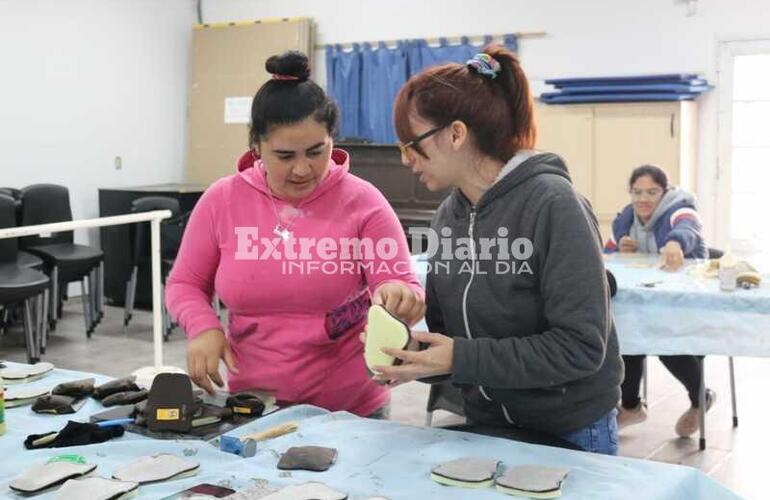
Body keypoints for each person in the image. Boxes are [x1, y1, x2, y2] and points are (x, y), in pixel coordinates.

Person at [370, 47, 623, 455]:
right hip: (488, 426)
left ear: (455, 134)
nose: (406, 160)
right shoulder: (447, 219)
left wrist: (461, 357)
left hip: (569, 431)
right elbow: (454, 341)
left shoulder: (553, 204)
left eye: (412, 145)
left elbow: (581, 346)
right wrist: (412, 351)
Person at [165, 52, 424, 418]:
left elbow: (400, 282)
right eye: (284, 156)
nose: (303, 169)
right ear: (256, 145)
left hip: (351, 411)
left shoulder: (363, 202)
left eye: (317, 152)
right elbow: (184, 284)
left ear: (333, 138)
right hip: (253, 406)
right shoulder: (222, 201)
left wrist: (401, 297)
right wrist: (204, 327)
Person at [604, 164, 714, 437]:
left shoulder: (680, 209)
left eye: (652, 192)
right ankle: (630, 405)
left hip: (684, 303)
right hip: (645, 302)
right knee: (626, 333)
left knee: (665, 341)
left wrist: (676, 243)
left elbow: (688, 230)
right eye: (637, 192)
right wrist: (620, 249)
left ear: (664, 192)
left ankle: (700, 400)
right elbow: (605, 255)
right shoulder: (625, 218)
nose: (643, 198)